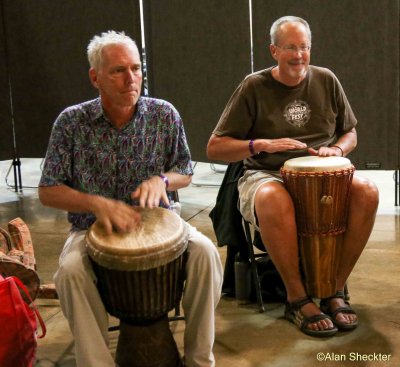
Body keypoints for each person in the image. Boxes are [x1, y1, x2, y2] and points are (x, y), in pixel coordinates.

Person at [39, 30, 223, 367]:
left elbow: (185, 169)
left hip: (161, 225)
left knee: (206, 254)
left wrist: (163, 179)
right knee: (69, 272)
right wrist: (96, 204)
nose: (131, 78)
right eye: (118, 70)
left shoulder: (163, 114)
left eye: (136, 68)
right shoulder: (71, 122)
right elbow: (48, 190)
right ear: (95, 77)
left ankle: (199, 360)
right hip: (90, 229)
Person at [207, 16, 379, 337]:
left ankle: (333, 290)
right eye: (290, 47)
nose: (298, 55)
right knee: (274, 199)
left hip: (324, 175)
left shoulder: (326, 80)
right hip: (267, 173)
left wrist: (338, 151)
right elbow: (215, 148)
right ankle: (297, 299)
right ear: (274, 50)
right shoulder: (253, 86)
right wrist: (261, 144)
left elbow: (350, 132)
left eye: (304, 47)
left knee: (367, 191)